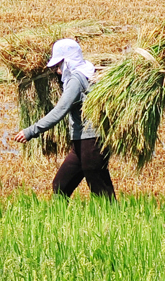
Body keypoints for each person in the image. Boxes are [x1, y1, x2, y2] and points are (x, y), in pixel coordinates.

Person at [9, 38, 116, 199]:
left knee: (101, 191)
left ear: (69, 61)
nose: (58, 71)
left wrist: (31, 131)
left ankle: (114, 215)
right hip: (80, 142)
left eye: (59, 65)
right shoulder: (87, 71)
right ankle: (57, 215)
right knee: (61, 186)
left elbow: (60, 110)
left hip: (92, 141)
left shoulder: (76, 80)